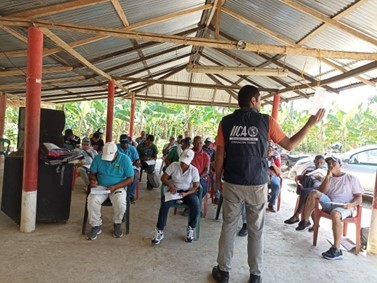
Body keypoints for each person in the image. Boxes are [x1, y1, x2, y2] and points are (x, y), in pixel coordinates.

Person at [211, 85, 325, 283]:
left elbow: (219, 154)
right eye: (260, 99)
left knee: (229, 226)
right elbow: (289, 145)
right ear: (253, 101)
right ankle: (255, 274)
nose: (261, 102)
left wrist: (218, 178)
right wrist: (309, 124)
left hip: (233, 182)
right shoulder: (266, 121)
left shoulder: (226, 122)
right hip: (257, 183)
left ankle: (223, 271)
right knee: (256, 230)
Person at [295, 156, 363, 260]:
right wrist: (327, 177)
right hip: (330, 204)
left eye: (333, 164)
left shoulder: (351, 178)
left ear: (340, 165)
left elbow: (359, 198)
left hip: (344, 207)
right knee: (314, 193)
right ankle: (305, 220)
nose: (330, 166)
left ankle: (336, 250)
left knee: (335, 214)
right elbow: (321, 192)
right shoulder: (328, 178)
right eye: (329, 164)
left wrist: (351, 205)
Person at [86, 142, 134, 240]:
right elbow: (92, 173)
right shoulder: (98, 158)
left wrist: (115, 187)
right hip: (101, 186)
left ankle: (117, 223)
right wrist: (93, 180)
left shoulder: (125, 159)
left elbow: (130, 179)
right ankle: (96, 225)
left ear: (116, 153)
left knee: (120, 202)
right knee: (92, 199)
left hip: (118, 187)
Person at [151, 149, 200, 245]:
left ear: (190, 162)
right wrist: (170, 186)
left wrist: (186, 194)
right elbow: (163, 178)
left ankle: (191, 228)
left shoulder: (194, 170)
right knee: (164, 204)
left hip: (188, 193)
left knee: (196, 205)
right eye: (181, 162)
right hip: (174, 191)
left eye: (185, 163)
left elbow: (196, 187)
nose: (182, 165)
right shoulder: (174, 165)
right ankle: (159, 230)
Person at [284, 155, 326, 225]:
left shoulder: (325, 172)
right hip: (310, 188)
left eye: (321, 163)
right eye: (317, 162)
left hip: (319, 190)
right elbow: (302, 180)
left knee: (304, 192)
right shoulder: (309, 170)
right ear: (314, 162)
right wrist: (309, 175)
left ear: (324, 163)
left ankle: (297, 216)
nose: (319, 164)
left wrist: (321, 179)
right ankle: (312, 223)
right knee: (307, 195)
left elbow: (327, 186)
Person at [117, 134, 140, 203]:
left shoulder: (132, 148)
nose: (124, 145)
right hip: (118, 165)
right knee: (114, 171)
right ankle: (116, 192)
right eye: (122, 143)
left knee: (134, 175)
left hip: (130, 166)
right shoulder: (115, 147)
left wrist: (137, 162)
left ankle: (130, 195)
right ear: (119, 142)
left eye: (126, 143)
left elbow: (137, 159)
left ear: (129, 142)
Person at [266, 144, 281, 212]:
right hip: (263, 176)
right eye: (267, 150)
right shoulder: (261, 158)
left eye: (270, 150)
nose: (269, 152)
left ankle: (271, 204)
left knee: (276, 186)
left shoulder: (275, 159)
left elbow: (279, 172)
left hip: (273, 176)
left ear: (273, 152)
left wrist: (273, 165)